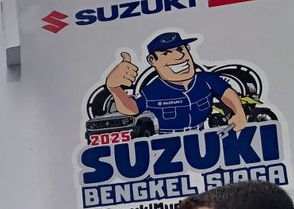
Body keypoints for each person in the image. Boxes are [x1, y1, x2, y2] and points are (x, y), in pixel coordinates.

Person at [104, 33, 247, 134]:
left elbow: (226, 92)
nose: (179, 56)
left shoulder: (206, 80)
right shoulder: (154, 90)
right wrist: (114, 88)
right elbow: (132, 108)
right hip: (169, 143)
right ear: (152, 61)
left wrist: (239, 113)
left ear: (188, 49)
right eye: (166, 53)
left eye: (180, 49)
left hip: (202, 137)